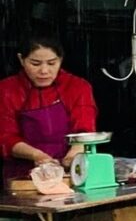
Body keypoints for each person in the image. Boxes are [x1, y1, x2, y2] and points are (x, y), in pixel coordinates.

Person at [0, 36, 97, 185]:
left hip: (69, 175)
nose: (44, 71)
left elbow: (84, 131)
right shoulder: (6, 90)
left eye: (52, 63)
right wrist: (37, 156)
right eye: (35, 63)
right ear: (21, 59)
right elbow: (6, 137)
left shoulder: (78, 87)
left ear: (61, 60)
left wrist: (71, 158)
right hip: (21, 177)